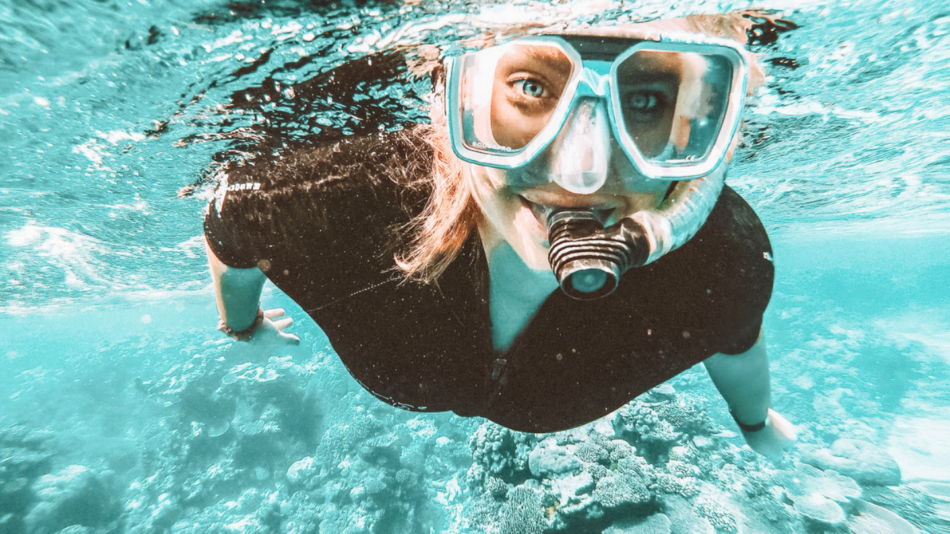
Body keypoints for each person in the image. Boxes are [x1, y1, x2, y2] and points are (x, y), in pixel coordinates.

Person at [203, 12, 796, 458]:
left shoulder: (721, 260)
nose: (577, 174)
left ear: (703, 121)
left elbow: (734, 338)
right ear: (452, 96)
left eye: (644, 99)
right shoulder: (333, 197)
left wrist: (755, 423)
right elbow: (229, 229)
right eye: (532, 88)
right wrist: (241, 325)